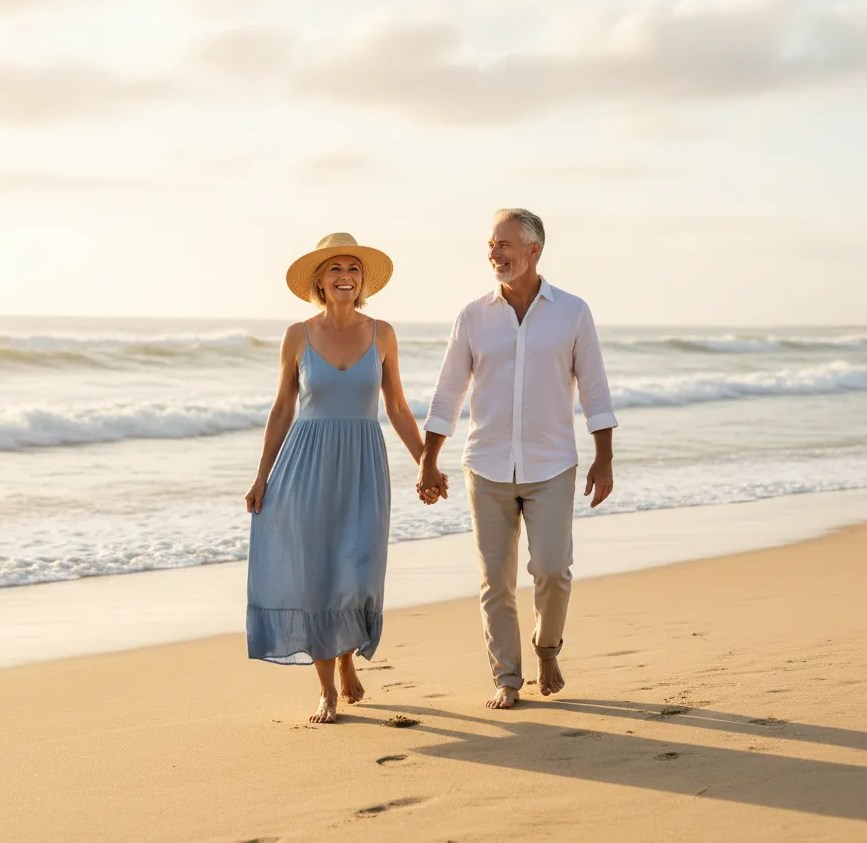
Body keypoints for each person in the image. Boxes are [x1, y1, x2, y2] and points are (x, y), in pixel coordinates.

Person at [417, 208, 617, 710]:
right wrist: (428, 459)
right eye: (491, 245)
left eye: (504, 245)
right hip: (485, 465)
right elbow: (448, 392)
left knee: (552, 569)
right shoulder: (472, 316)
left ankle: (547, 648)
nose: (494, 254)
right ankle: (506, 677)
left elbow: (594, 389)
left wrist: (604, 458)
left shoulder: (572, 312)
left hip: (552, 464)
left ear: (534, 251)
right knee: (495, 581)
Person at [245, 232, 440, 724]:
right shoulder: (297, 335)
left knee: (355, 571)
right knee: (316, 574)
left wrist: (425, 463)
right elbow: (283, 407)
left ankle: (348, 657)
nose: (345, 278)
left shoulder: (383, 333)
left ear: (362, 281)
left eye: (353, 270)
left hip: (362, 465)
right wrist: (261, 476)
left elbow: (396, 406)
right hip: (305, 466)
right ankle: (328, 689)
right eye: (336, 269)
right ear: (319, 280)